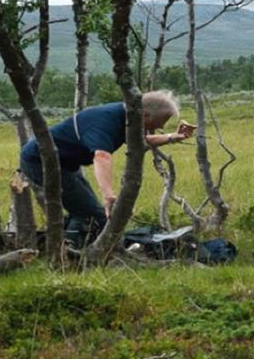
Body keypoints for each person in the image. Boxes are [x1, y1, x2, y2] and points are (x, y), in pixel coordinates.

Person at [19, 90, 191, 244]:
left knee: (85, 209)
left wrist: (174, 137)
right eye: (162, 121)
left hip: (66, 163)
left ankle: (67, 245)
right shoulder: (106, 120)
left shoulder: (129, 117)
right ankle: (69, 255)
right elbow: (101, 156)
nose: (161, 127)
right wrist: (108, 194)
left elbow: (141, 140)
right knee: (92, 213)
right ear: (145, 115)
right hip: (39, 161)